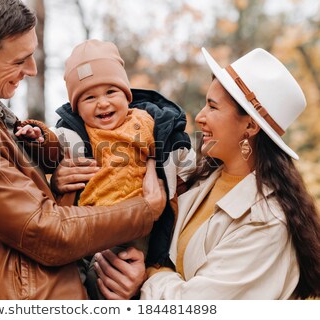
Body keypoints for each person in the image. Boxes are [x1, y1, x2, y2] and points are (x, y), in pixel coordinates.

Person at [0, 0, 166, 300]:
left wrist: (58, 181)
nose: (32, 70)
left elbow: (24, 211)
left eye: (31, 56)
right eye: (19, 61)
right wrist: (145, 210)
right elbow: (45, 232)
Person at [89, 47, 320, 299]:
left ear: (250, 126)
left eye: (212, 107)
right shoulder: (200, 176)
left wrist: (147, 277)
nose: (200, 117)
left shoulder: (265, 223)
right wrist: (62, 173)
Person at [50, 39, 194, 299]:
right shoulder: (72, 135)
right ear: (77, 109)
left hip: (139, 223)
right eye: (89, 97)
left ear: (127, 96)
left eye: (110, 93)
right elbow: (42, 162)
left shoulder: (146, 123)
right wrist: (55, 179)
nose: (102, 103)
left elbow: (184, 165)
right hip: (92, 225)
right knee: (86, 276)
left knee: (124, 266)